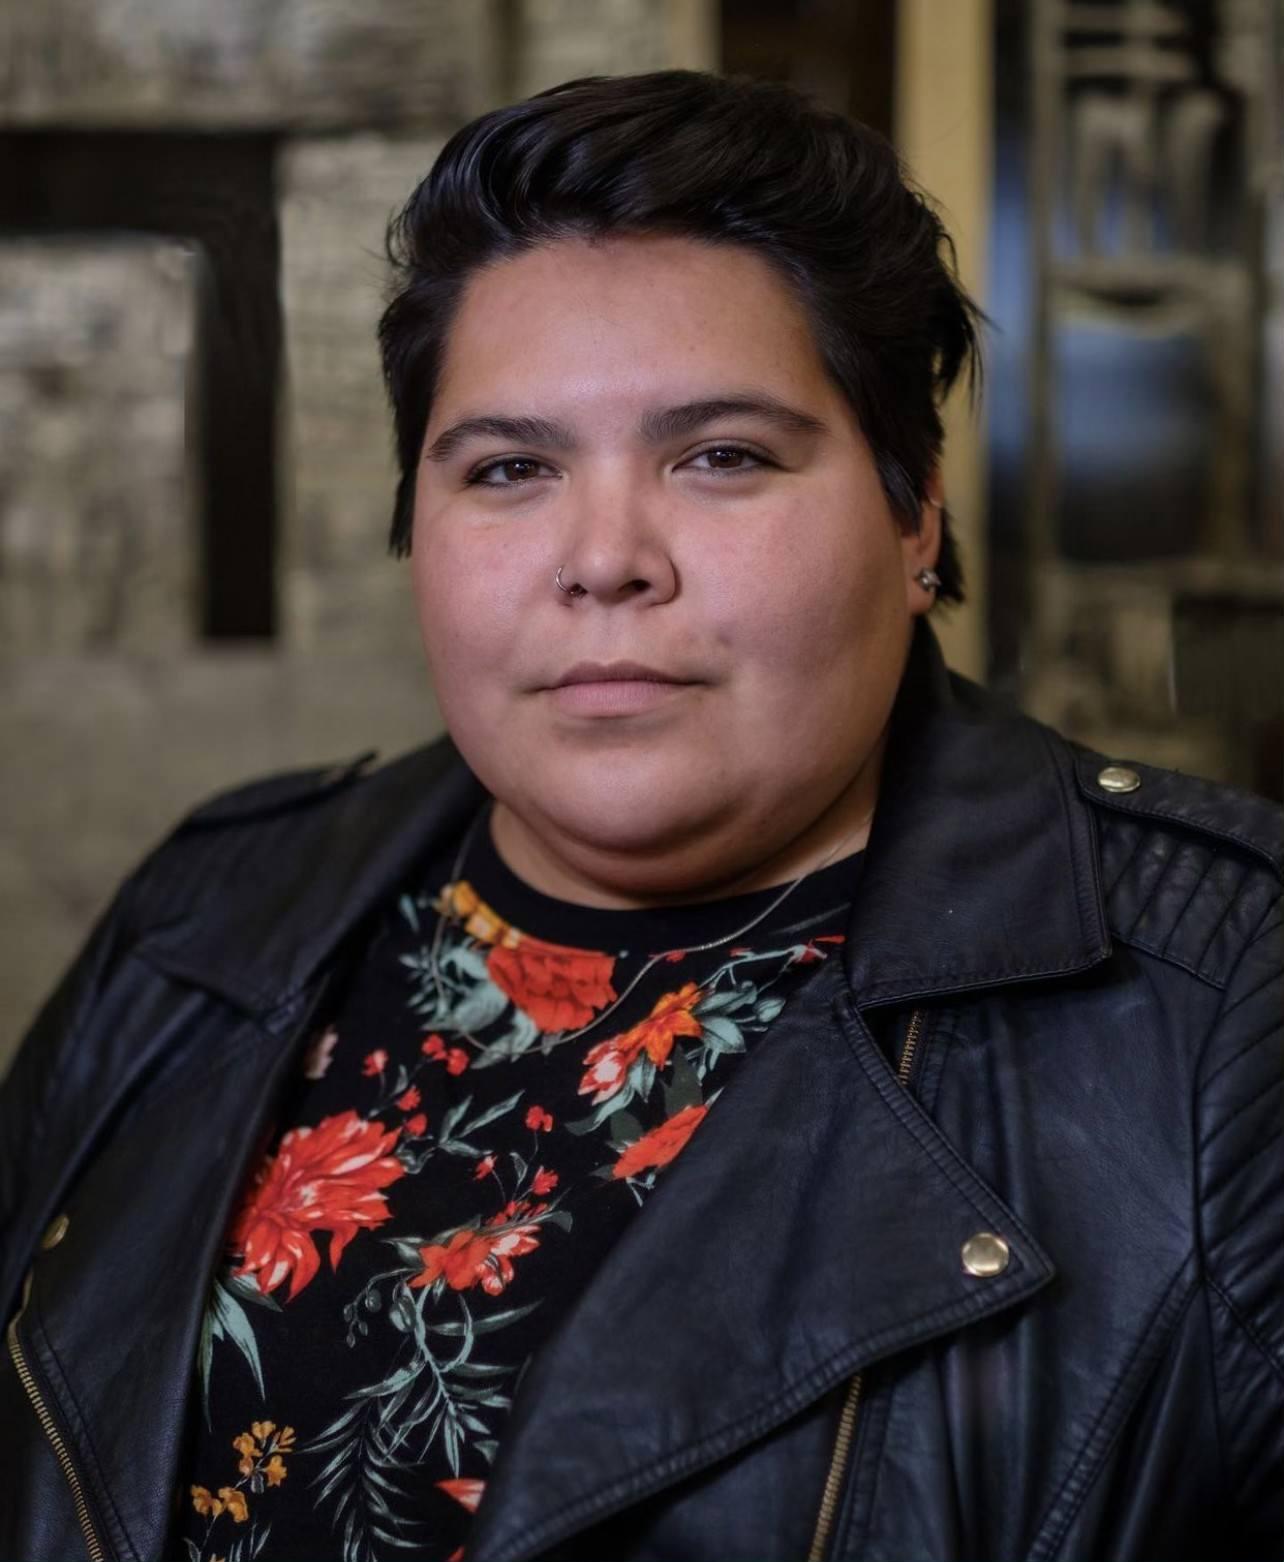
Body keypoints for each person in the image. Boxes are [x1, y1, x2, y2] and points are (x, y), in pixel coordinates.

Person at [1, 69, 1280, 1562]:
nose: (605, 559)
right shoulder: (211, 911)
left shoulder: (1224, 1002)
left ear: (914, 511)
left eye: (721, 455)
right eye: (511, 468)